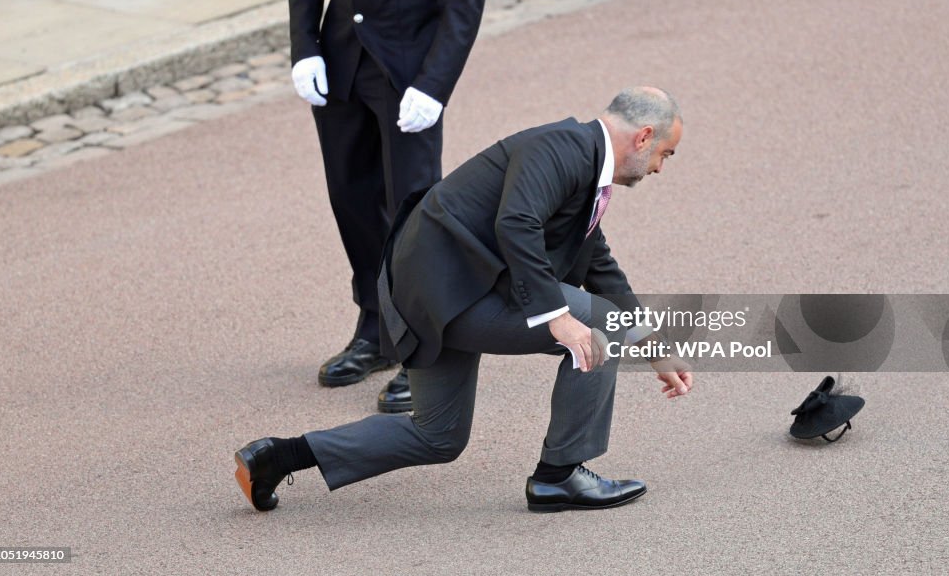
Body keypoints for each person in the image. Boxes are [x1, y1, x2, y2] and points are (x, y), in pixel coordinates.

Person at [235, 88, 692, 513]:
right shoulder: (563, 147)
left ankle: (279, 456)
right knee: (598, 322)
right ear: (644, 136)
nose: (660, 168)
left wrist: (652, 346)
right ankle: (560, 474)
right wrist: (558, 318)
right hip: (451, 291)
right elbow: (517, 224)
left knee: (436, 436)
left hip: (438, 292)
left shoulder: (581, 162)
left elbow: (599, 264)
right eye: (665, 154)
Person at [286, 0, 486, 411]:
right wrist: (305, 47)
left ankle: (423, 347)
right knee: (350, 198)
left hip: (410, 69)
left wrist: (435, 83)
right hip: (341, 61)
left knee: (415, 214)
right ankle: (376, 329)